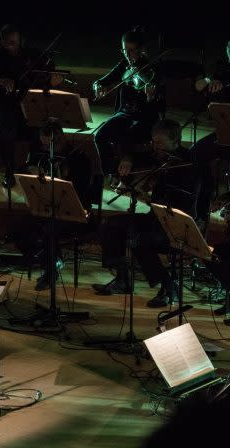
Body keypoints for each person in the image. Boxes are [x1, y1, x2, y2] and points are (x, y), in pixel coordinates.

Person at [92, 119, 198, 307]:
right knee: (111, 225)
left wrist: (148, 196)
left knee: (139, 239)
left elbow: (182, 203)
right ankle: (122, 278)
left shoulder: (187, 165)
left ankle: (168, 286)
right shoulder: (156, 155)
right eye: (154, 142)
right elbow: (133, 152)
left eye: (160, 143)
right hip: (154, 218)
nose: (155, 147)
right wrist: (128, 160)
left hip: (174, 225)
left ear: (175, 141)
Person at [0, 24, 62, 187]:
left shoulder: (32, 55)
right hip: (2, 109)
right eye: (8, 43)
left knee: (42, 125)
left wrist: (51, 80)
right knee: (4, 126)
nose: (11, 47)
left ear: (21, 41)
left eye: (15, 42)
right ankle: (9, 170)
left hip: (27, 108)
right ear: (2, 42)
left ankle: (33, 165)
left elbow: (46, 73)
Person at [13, 118, 94, 290]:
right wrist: (32, 174)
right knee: (17, 227)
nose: (48, 149)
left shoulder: (78, 158)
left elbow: (80, 191)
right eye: (44, 145)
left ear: (61, 137)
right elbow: (22, 173)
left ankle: (50, 272)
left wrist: (58, 176)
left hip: (72, 212)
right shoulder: (39, 154)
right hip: (45, 208)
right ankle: (47, 259)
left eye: (52, 144)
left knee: (49, 230)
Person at [92, 28, 165, 178]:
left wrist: (151, 96)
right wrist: (98, 86)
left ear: (141, 49)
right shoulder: (124, 65)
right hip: (125, 113)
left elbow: (159, 103)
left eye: (132, 51)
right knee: (99, 135)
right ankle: (111, 173)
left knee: (129, 135)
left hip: (145, 116)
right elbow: (101, 81)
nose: (128, 55)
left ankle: (130, 175)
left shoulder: (151, 68)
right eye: (125, 50)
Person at [192, 39, 230, 225]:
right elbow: (199, 85)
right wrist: (210, 80)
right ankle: (201, 209)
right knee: (196, 152)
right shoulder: (223, 69)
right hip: (225, 132)